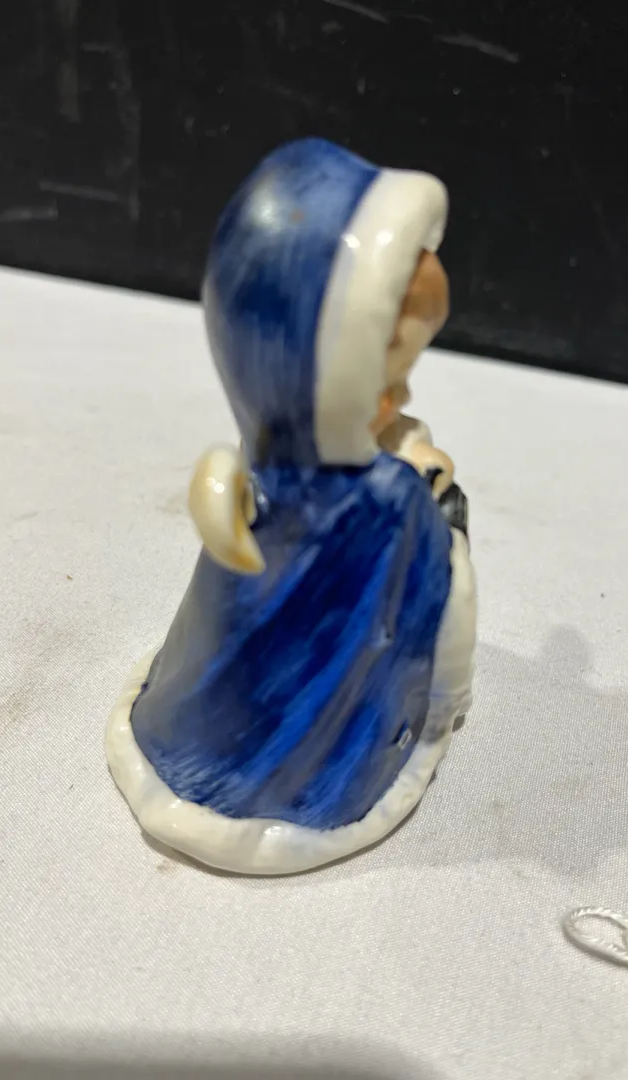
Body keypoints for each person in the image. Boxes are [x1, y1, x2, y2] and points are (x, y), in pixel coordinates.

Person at [106, 138, 476, 874]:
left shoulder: (328, 477)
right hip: (301, 733)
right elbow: (444, 614)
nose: (400, 399)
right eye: (386, 381)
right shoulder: (381, 506)